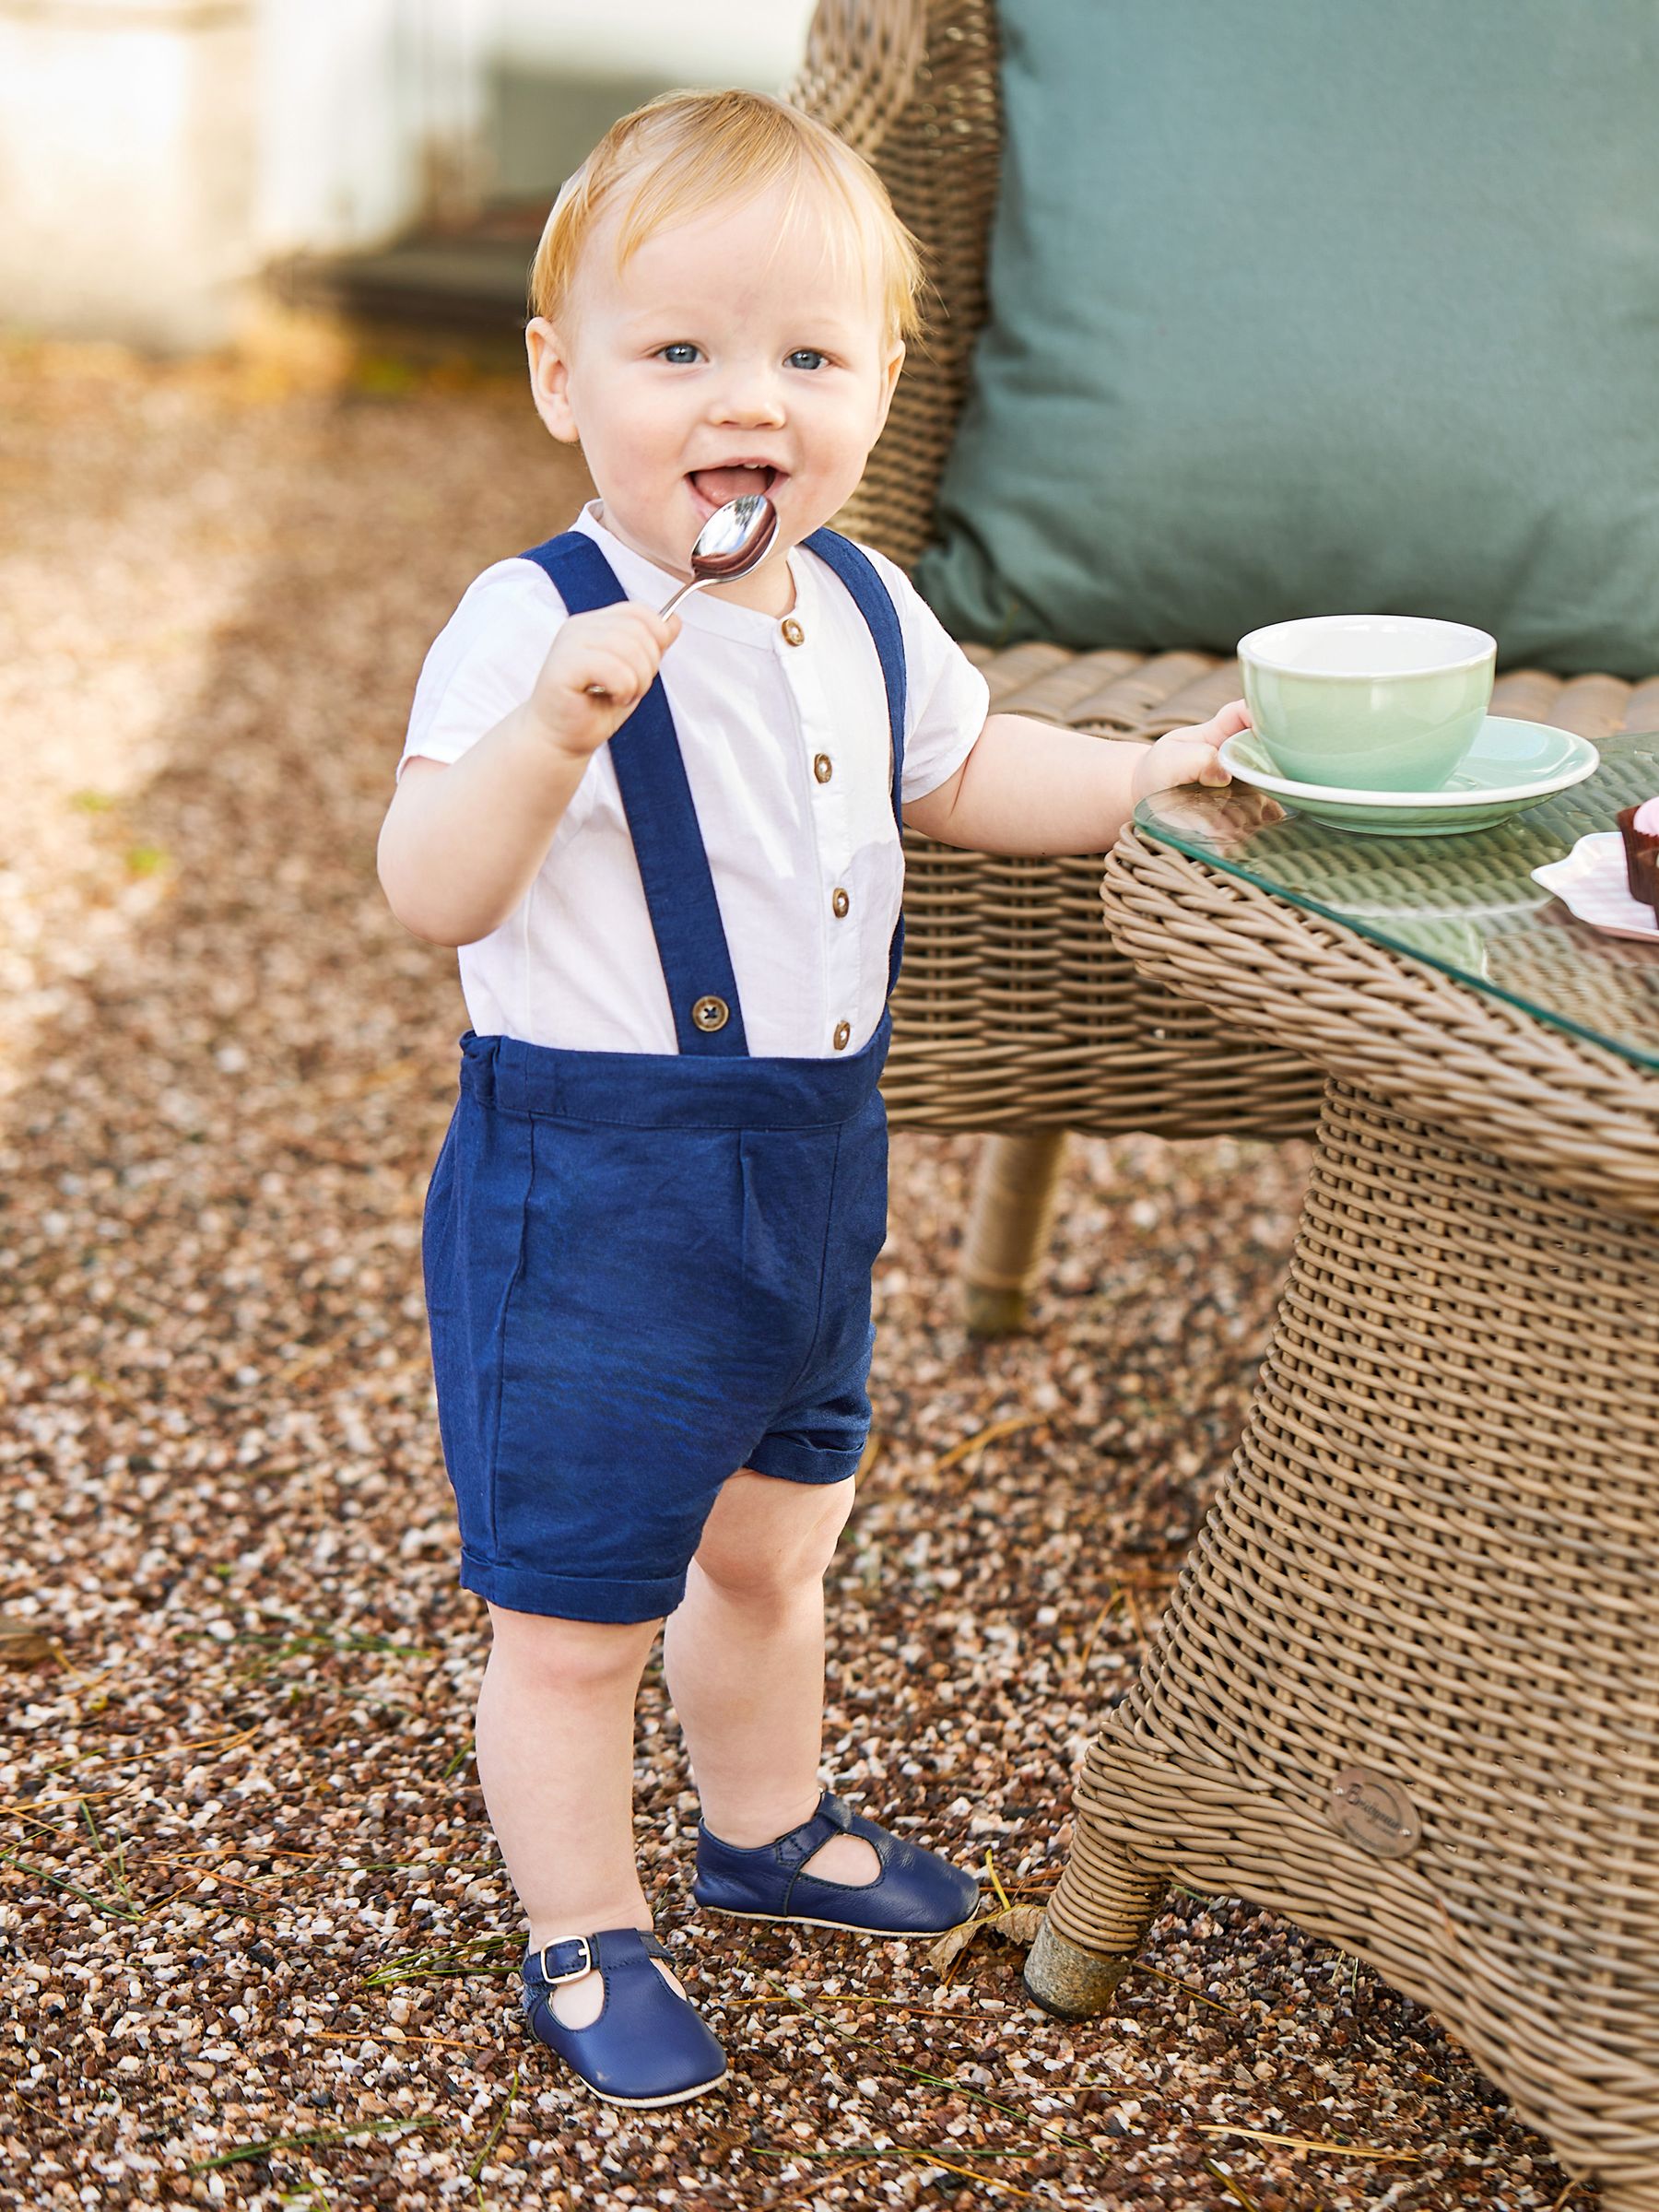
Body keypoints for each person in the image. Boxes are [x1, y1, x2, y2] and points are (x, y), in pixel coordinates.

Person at [377, 86, 1244, 2111]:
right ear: (559, 376)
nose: (741, 398)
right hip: (595, 1195)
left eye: (806, 355)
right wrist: (547, 735)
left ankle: (761, 1830)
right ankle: (584, 1933)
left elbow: (961, 775)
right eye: (677, 351)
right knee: (578, 1611)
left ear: (873, 385)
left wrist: (1132, 775)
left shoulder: (857, 602)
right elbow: (434, 893)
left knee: (777, 1548)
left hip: (810, 1176)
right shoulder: (529, 627)